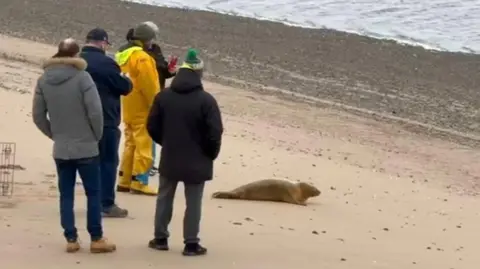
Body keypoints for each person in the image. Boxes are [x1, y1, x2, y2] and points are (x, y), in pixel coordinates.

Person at [32, 38, 116, 253]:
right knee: (93, 193)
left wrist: (55, 135)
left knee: (66, 194)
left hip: (62, 147)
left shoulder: (43, 80)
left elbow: (38, 116)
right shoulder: (82, 78)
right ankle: (96, 238)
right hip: (86, 145)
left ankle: (71, 238)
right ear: (76, 55)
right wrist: (95, 136)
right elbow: (95, 112)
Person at [146, 49, 224, 256]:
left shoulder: (163, 96)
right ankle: (191, 243)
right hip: (198, 158)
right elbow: (215, 132)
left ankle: (160, 238)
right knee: (193, 202)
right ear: (199, 74)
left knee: (164, 197)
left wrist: (166, 142)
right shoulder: (206, 100)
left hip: (171, 154)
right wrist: (210, 153)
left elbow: (152, 126)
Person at [80, 28, 133, 218]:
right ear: (103, 43)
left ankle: (88, 198)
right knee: (108, 161)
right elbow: (124, 87)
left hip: (80, 119)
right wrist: (127, 80)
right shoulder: (107, 63)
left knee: (84, 161)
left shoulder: (76, 61)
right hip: (105, 119)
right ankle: (106, 203)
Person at [115, 22, 161, 195]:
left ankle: (124, 180)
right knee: (144, 144)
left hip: (127, 104)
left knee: (130, 143)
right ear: (146, 39)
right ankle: (139, 182)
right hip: (142, 106)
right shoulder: (142, 58)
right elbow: (149, 85)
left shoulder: (122, 54)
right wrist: (156, 104)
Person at [126, 25, 177, 176]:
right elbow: (146, 81)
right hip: (144, 99)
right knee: (144, 135)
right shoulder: (139, 55)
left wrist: (170, 71)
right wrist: (153, 101)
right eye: (152, 37)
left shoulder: (154, 50)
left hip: (150, 95)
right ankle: (140, 177)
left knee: (140, 136)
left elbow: (162, 70)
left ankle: (134, 173)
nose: (153, 40)